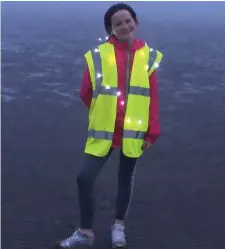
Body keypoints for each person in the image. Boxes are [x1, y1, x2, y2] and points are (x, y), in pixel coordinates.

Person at [55, 2, 163, 249]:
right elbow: (86, 92)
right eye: (118, 23)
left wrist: (152, 130)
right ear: (110, 29)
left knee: (125, 179)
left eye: (128, 20)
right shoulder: (97, 56)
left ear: (136, 22)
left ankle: (118, 227)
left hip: (134, 132)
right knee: (84, 178)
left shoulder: (148, 56)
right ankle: (85, 233)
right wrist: (102, 113)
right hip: (105, 131)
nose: (125, 26)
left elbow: (152, 96)